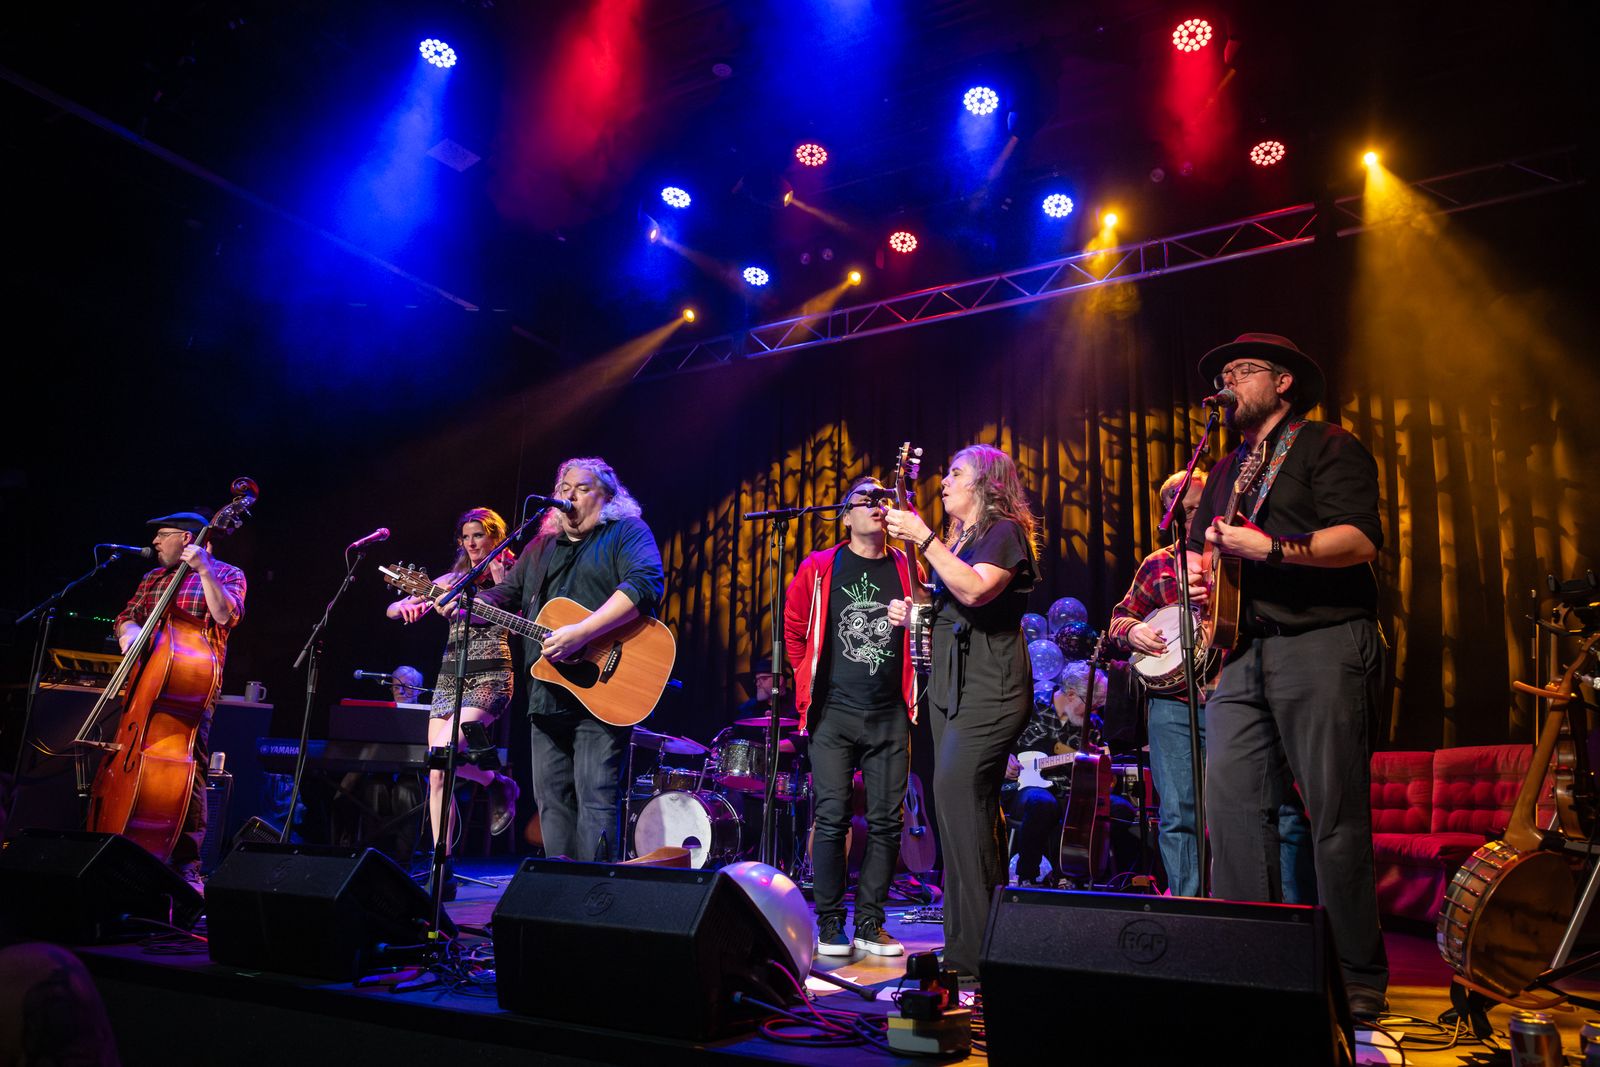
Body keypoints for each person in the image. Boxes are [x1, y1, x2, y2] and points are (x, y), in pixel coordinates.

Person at [1183, 333, 1389, 1019]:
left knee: (1334, 816)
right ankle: (1251, 966)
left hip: (1322, 640)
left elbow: (1359, 539)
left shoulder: (1328, 445)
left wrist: (1270, 547)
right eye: (1222, 371)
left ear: (1283, 382)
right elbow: (1201, 555)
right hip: (1242, 652)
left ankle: (1357, 975)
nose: (1227, 380)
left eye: (1241, 370)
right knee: (1232, 814)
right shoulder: (1223, 468)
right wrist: (1202, 579)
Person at [1111, 469, 1317, 901]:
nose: (1197, 516)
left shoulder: (1246, 551)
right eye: (1187, 511)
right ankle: (1189, 912)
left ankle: (1295, 915)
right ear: (1171, 515)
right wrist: (1133, 631)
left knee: (1280, 809)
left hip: (1246, 698)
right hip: (1175, 705)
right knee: (1179, 816)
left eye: (1203, 506)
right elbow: (1119, 619)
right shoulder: (1158, 564)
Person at [886, 444, 1038, 980]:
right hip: (952, 687)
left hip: (990, 686)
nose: (944, 481)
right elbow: (951, 599)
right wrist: (919, 608)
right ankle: (976, 948)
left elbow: (975, 591)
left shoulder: (1003, 532)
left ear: (986, 483)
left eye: (955, 473)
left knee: (959, 798)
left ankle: (974, 958)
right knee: (963, 813)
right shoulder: (962, 540)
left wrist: (923, 537)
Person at [478, 458, 664, 862]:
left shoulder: (625, 532)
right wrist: (463, 603)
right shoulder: (541, 547)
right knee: (551, 800)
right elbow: (504, 596)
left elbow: (645, 583)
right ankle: (558, 892)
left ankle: (594, 894)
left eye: (581, 487)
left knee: (595, 795)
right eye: (563, 488)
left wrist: (583, 632)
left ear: (608, 497)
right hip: (547, 691)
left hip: (604, 691)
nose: (568, 495)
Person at [784, 476, 921, 958]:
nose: (877, 506)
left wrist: (915, 617)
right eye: (866, 499)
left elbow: (930, 628)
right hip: (834, 713)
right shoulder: (821, 566)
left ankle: (869, 922)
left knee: (886, 822)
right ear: (845, 516)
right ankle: (829, 923)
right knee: (831, 818)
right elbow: (794, 629)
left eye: (884, 499)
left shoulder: (908, 566)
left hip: (890, 714)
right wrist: (806, 681)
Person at [386, 508, 521, 895]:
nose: (472, 542)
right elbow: (393, 608)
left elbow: (516, 619)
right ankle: (442, 864)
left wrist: (500, 581)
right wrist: (405, 607)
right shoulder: (451, 580)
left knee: (442, 753)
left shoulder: (511, 573)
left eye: (479, 535)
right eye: (466, 536)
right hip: (450, 676)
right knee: (437, 769)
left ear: (495, 537)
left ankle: (496, 784)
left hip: (490, 674)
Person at [113, 511, 247, 891]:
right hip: (144, 685)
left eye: (163, 534)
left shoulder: (228, 574)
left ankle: (186, 862)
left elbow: (226, 617)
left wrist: (205, 570)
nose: (155, 542)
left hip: (190, 689)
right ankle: (120, 843)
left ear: (187, 538)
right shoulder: (153, 578)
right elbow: (126, 615)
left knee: (190, 770)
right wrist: (128, 632)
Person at [1003, 660, 1110, 887]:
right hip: (1022, 786)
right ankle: (1028, 877)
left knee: (1110, 807)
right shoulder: (1029, 706)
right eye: (1090, 705)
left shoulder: (1092, 726)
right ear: (1071, 694)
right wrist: (1003, 759)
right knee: (1042, 803)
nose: (1094, 712)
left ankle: (1069, 876)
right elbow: (996, 739)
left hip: (1068, 790)